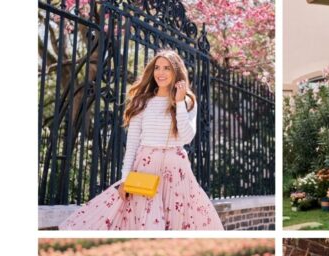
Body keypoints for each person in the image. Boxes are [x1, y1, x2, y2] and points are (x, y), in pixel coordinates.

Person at [60, 49, 224, 230]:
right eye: (157, 68)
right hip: (146, 167)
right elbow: (131, 146)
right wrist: (124, 180)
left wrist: (178, 103)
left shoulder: (187, 101)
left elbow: (186, 137)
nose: (160, 73)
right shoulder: (142, 101)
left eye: (167, 68)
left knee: (176, 222)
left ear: (176, 71)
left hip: (177, 171)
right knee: (147, 221)